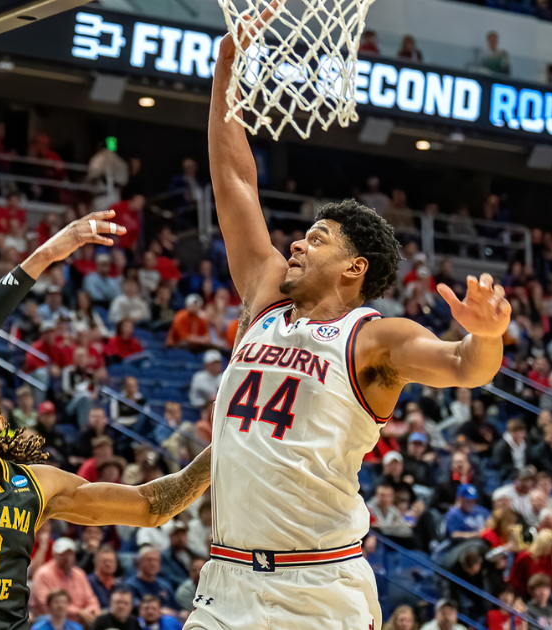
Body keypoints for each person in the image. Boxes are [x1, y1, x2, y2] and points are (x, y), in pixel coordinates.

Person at [193, 30, 511, 630]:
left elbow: (469, 367)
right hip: (226, 579)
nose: (295, 242)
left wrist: (487, 333)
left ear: (353, 268)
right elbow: (234, 180)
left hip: (320, 586)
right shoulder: (264, 294)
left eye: (316, 239)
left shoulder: (376, 338)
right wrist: (226, 70)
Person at [0, 211, 213, 630]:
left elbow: (152, 507)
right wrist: (45, 256)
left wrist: (227, 445)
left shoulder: (35, 487)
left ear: (0, 419)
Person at [30, 538, 99, 624]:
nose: (67, 558)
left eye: (70, 554)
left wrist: (92, 610)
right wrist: (79, 612)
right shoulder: (43, 574)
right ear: (54, 555)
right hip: (48, 622)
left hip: (78, 622)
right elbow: (46, 604)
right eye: (62, 554)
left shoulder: (79, 574)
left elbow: (91, 599)